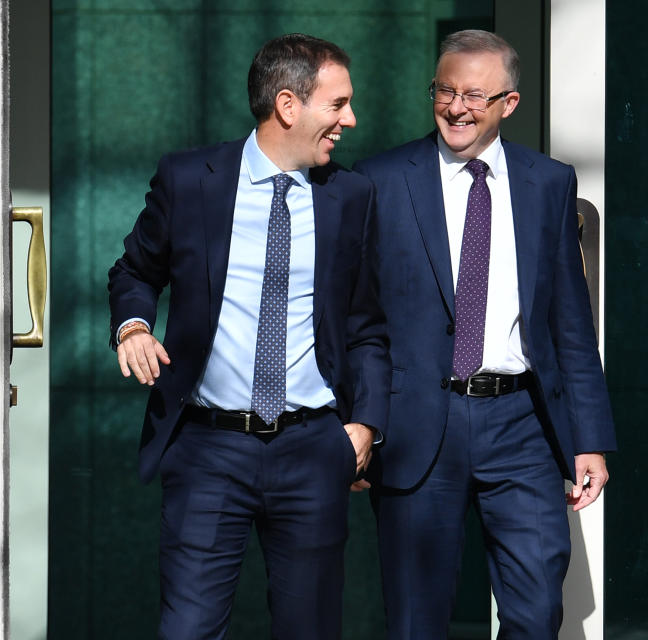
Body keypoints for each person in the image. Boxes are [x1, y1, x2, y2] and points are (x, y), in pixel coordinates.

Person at [107, 33, 389, 640]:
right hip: (209, 451)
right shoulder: (191, 180)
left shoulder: (351, 196)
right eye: (337, 104)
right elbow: (134, 270)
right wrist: (133, 324)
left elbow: (366, 325)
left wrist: (364, 425)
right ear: (289, 105)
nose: (350, 119)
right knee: (188, 630)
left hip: (314, 449)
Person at [354, 29, 617, 639]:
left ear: (510, 103)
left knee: (535, 609)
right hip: (418, 419)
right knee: (417, 618)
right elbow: (356, 318)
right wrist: (361, 421)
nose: (456, 107)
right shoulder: (380, 179)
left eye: (475, 94)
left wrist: (590, 439)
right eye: (444, 90)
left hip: (522, 423)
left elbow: (569, 323)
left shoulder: (548, 182)